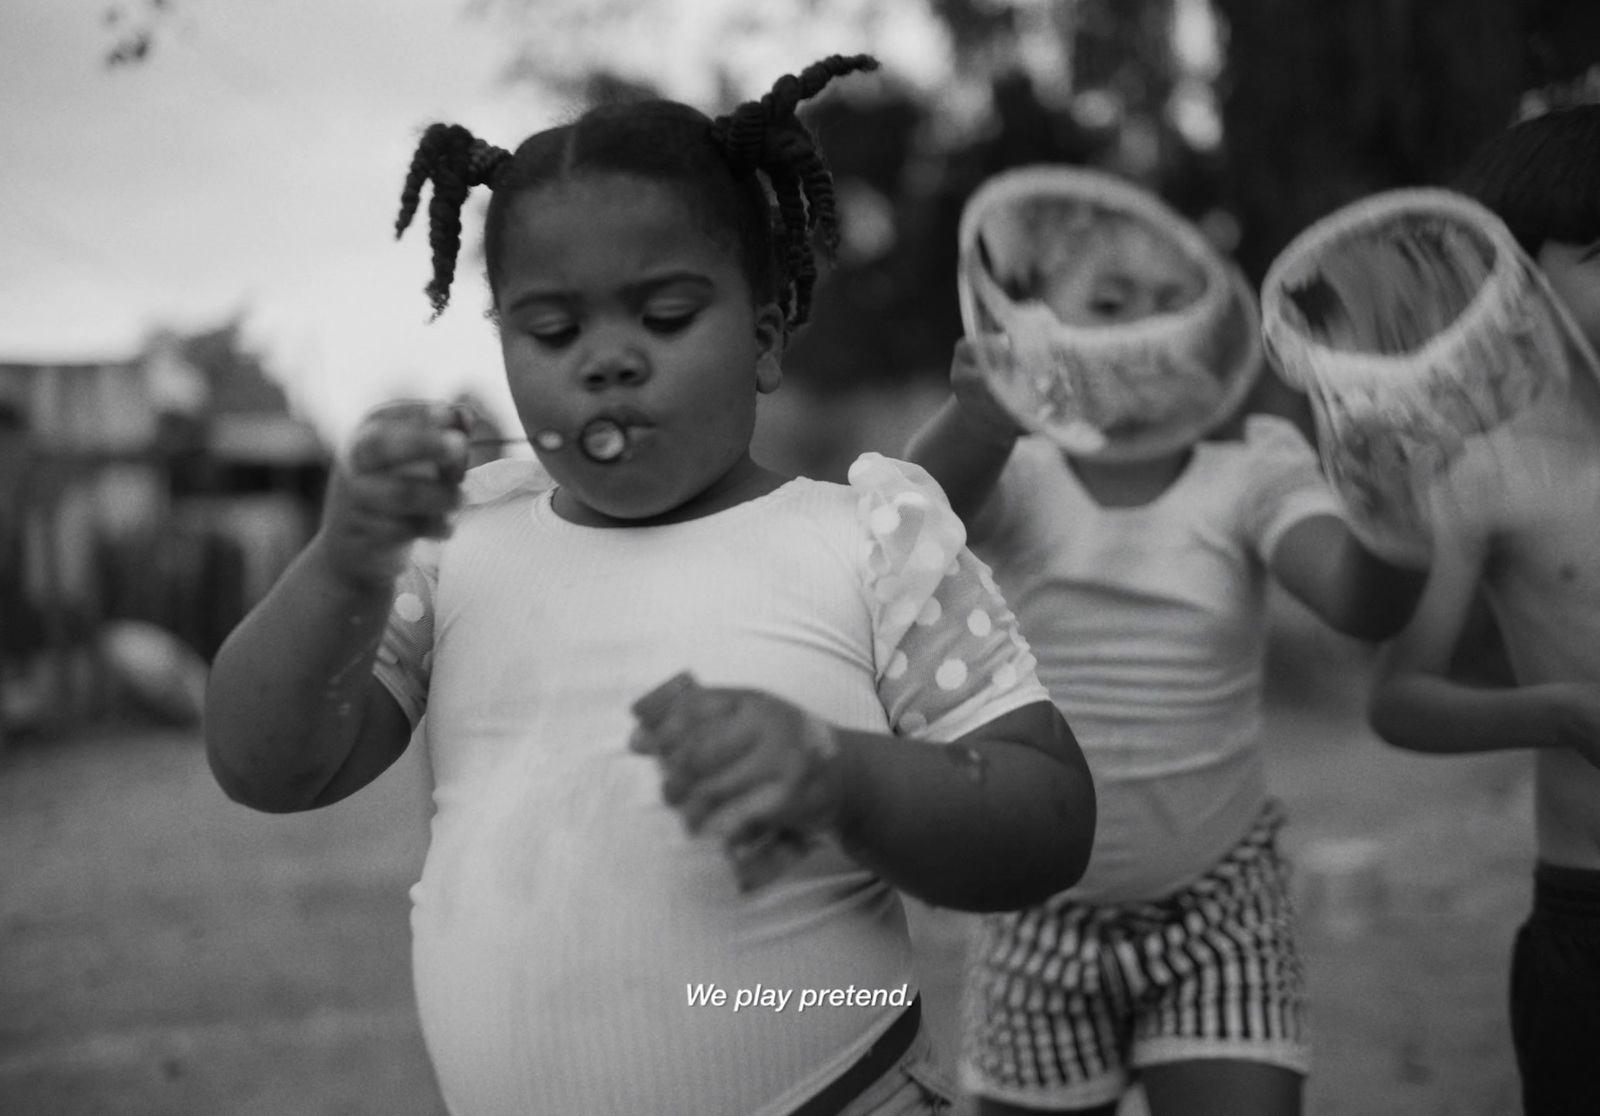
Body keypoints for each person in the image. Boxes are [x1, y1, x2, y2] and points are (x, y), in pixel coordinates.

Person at [202, 55, 1097, 1116]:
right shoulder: (460, 543)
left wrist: (840, 777)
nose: (607, 362)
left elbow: (1047, 819)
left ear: (764, 339)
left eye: (665, 317)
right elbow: (267, 767)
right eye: (551, 332)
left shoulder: (868, 540)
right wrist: (342, 560)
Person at [903, 166, 1428, 1116]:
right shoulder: (1018, 474)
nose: (1148, 328)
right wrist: (981, 417)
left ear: (1211, 338)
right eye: (1110, 302)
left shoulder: (1254, 470)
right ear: (1036, 324)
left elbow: (1362, 603)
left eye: (1172, 306)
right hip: (1037, 913)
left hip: (1220, 903)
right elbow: (904, 529)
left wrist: (1396, 518)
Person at [1366, 104, 1600, 1116]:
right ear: (1516, 287)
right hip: (1589, 911)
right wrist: (1560, 714)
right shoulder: (1481, 470)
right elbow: (1400, 700)